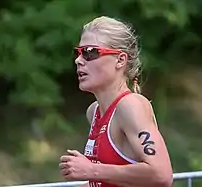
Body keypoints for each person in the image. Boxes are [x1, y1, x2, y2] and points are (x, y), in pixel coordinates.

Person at [59, 16, 173, 187]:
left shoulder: (130, 106)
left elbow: (161, 175)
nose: (79, 60)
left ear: (120, 60)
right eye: (78, 52)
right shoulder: (94, 111)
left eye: (90, 52)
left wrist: (91, 170)